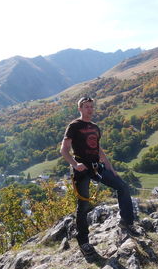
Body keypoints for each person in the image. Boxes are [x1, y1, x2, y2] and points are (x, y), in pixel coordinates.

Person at [60, 97, 137, 257]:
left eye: (91, 107)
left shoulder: (95, 127)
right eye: (86, 107)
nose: (90, 110)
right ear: (80, 109)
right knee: (83, 206)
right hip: (81, 168)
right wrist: (75, 165)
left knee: (122, 187)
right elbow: (64, 150)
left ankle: (127, 221)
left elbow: (98, 149)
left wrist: (110, 168)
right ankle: (84, 242)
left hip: (96, 167)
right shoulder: (74, 126)